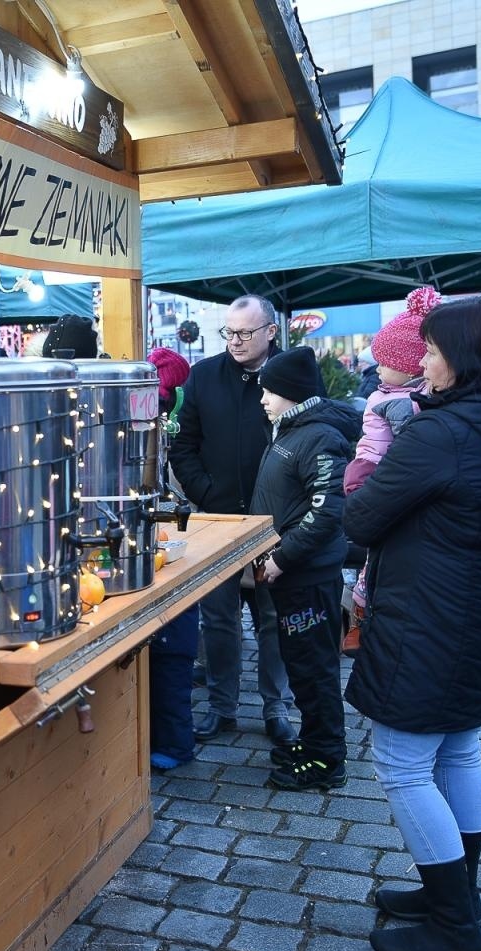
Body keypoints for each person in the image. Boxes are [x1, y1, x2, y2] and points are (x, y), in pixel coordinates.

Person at [345, 295, 481, 951]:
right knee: (458, 752)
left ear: (462, 358)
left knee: (404, 765)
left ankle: (456, 927)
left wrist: (371, 455)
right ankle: (453, 895)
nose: (423, 361)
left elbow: (362, 517)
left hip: (427, 614)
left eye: (432, 350)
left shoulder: (442, 433)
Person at [169, 294, 297, 743]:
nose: (236, 341)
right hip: (219, 518)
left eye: (245, 332)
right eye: (230, 332)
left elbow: (312, 438)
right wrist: (207, 493)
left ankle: (274, 707)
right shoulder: (206, 375)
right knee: (218, 618)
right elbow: (182, 445)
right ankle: (222, 706)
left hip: (274, 520)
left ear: (270, 331)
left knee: (271, 617)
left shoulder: (290, 374)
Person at [250, 347, 356, 790]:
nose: (262, 398)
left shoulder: (319, 436)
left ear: (292, 393)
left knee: (314, 670)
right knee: (302, 666)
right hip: (293, 576)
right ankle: (314, 742)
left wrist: (281, 556)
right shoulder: (290, 429)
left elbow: (326, 511)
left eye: (269, 390)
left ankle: (326, 760)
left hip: (307, 577)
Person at [342, 286, 439, 653]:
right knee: (373, 564)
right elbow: (372, 445)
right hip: (375, 475)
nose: (378, 369)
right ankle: (361, 618)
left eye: (385, 363)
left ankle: (362, 618)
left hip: (389, 483)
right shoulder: (385, 398)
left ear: (411, 366)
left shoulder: (410, 401)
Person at [146, 345, 198, 772]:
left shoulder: (181, 421)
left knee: (172, 657)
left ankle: (178, 743)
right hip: (157, 540)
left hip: (183, 537)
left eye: (164, 400)